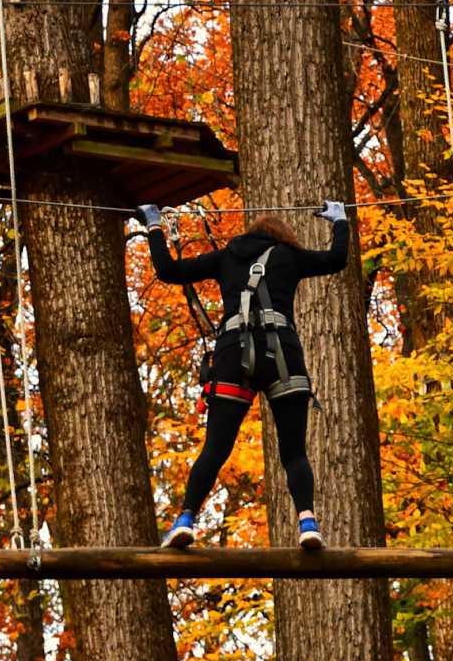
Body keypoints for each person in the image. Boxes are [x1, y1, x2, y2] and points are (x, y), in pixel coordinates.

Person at [136, 200, 349, 549]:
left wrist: (154, 224)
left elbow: (168, 270)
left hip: (235, 355)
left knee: (215, 449)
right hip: (284, 357)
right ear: (281, 236)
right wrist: (339, 220)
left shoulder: (226, 257)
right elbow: (336, 258)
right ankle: (308, 522)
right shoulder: (290, 256)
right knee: (294, 453)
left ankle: (186, 518)